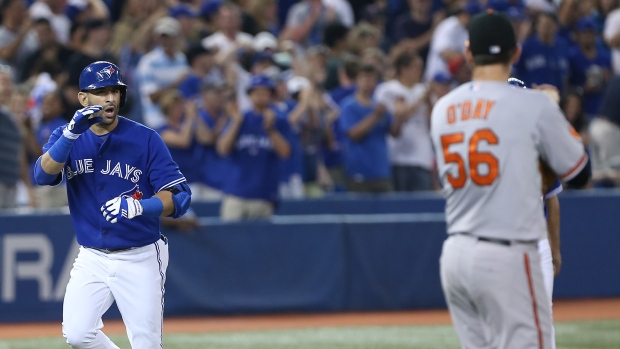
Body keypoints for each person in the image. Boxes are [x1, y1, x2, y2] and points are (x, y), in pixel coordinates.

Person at [430, 12, 590, 348]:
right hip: (507, 252)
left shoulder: (442, 109)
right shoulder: (531, 105)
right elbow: (580, 173)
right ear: (516, 53)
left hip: (456, 255)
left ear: (469, 53)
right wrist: (554, 112)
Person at [32, 61, 191, 348]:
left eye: (115, 91)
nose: (109, 98)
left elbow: (180, 197)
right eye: (101, 91)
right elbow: (42, 175)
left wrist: (142, 207)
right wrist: (70, 135)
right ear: (83, 98)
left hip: (140, 255)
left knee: (146, 344)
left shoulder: (145, 138)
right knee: (79, 334)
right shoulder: (65, 136)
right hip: (92, 256)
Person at [217, 74, 291, 220]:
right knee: (229, 239)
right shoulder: (241, 118)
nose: (260, 96)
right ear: (250, 95)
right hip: (236, 192)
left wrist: (270, 129)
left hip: (263, 193)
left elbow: (285, 152)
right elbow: (222, 149)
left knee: (260, 241)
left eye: (264, 92)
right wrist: (236, 122)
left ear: (271, 95)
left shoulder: (279, 119)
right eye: (256, 92)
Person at [339, 64, 406, 193]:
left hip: (382, 172)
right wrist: (375, 115)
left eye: (372, 79)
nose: (368, 82)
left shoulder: (380, 106)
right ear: (357, 80)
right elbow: (353, 134)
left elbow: (395, 133)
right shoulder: (349, 105)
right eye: (364, 78)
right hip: (359, 173)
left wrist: (399, 117)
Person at [374, 51, 434, 192]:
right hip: (397, 155)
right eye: (416, 67)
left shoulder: (423, 90)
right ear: (404, 69)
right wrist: (420, 100)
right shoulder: (388, 89)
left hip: (422, 156)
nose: (420, 72)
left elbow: (431, 122)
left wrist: (429, 103)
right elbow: (399, 115)